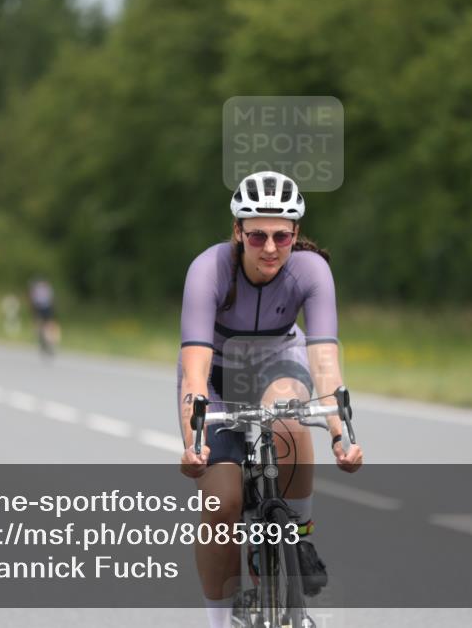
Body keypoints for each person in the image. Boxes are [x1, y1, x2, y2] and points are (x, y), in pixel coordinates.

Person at [177, 171, 363, 628]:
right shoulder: (209, 269)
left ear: (296, 234)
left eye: (282, 236)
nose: (270, 247)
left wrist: (341, 435)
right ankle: (220, 622)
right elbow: (195, 371)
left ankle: (298, 537)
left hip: (280, 365)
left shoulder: (311, 270)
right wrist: (194, 442)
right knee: (221, 504)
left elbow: (323, 362)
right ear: (238, 231)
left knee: (289, 416)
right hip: (218, 379)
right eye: (257, 235)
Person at [27, 277, 59, 356]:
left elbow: (32, 299)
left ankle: (45, 340)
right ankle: (47, 340)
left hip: (40, 308)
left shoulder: (37, 288)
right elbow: (51, 299)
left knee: (41, 325)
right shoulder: (47, 288)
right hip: (45, 308)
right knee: (46, 325)